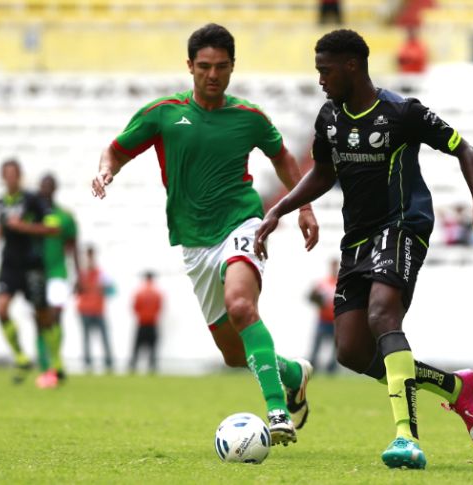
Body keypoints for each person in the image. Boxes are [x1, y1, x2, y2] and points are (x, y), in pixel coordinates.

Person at [254, 29, 473, 469]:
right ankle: (452, 388)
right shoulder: (329, 118)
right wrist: (280, 209)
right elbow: (322, 173)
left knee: (382, 316)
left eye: (325, 71)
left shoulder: (401, 112)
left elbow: (464, 149)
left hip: (404, 223)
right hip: (357, 237)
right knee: (350, 350)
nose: (320, 80)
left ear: (352, 65)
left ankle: (406, 438)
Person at [90, 23, 318, 446]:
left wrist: (302, 205)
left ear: (233, 68)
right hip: (195, 241)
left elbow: (284, 158)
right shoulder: (164, 113)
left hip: (243, 222)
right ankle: (291, 373)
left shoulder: (248, 117)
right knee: (233, 355)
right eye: (205, 67)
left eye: (222, 67)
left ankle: (277, 410)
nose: (213, 75)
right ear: (190, 66)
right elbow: (117, 149)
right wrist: (107, 170)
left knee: (240, 305)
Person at [0, 159, 60, 384]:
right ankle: (20, 357)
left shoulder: (33, 201)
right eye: (7, 174)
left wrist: (25, 227)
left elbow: (53, 227)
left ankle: (56, 363)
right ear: (3, 177)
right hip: (9, 265)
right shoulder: (0, 203)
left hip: (31, 264)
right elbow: (3, 223)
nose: (10, 178)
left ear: (19, 176)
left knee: (43, 315)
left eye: (14, 174)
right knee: (1, 308)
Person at [35, 173, 79, 386]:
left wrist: (79, 274)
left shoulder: (64, 216)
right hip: (36, 273)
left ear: (55, 189)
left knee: (55, 316)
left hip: (58, 272)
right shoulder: (32, 215)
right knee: (40, 320)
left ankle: (57, 363)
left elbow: (74, 245)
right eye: (43, 186)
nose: (46, 190)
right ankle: (46, 367)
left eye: (49, 186)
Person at [76, 245, 115, 372]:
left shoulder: (101, 274)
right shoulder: (81, 274)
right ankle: (87, 362)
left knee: (104, 337)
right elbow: (76, 290)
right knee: (86, 337)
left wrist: (103, 288)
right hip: (85, 310)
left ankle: (108, 361)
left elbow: (112, 290)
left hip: (98, 309)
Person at [129, 271, 165, 374]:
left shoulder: (139, 292)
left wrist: (141, 315)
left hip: (142, 323)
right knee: (153, 348)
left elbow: (135, 307)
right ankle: (152, 367)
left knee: (136, 348)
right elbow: (159, 307)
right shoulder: (157, 293)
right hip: (152, 323)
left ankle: (133, 367)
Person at [307, 259, 339, 373]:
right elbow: (311, 297)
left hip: (336, 321)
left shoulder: (341, 283)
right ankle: (311, 368)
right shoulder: (323, 283)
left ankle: (332, 369)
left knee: (335, 349)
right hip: (323, 320)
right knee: (316, 347)